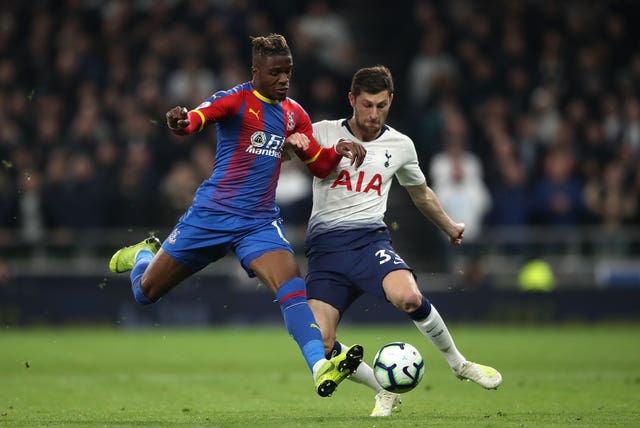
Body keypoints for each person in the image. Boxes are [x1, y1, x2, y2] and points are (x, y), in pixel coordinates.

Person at [108, 33, 368, 398]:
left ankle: (319, 366)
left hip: (259, 222)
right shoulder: (236, 99)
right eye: (276, 72)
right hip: (210, 215)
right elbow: (198, 118)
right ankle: (143, 254)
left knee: (292, 284)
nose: (283, 79)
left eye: (288, 72)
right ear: (256, 72)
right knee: (145, 293)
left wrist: (333, 150)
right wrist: (181, 120)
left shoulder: (295, 114)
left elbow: (321, 167)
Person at [305, 65, 503, 417]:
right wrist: (293, 141)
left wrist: (448, 226)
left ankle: (459, 364)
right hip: (325, 251)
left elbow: (420, 193)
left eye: (381, 105)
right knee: (320, 343)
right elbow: (283, 153)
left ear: (391, 101)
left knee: (409, 296)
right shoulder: (323, 132)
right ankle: (383, 389)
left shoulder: (400, 145)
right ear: (351, 100)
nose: (373, 114)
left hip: (369, 242)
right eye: (366, 105)